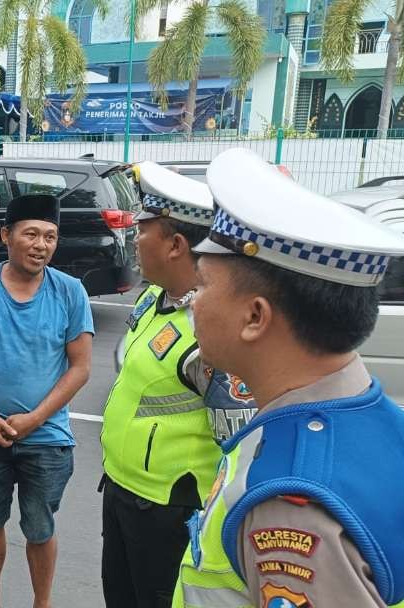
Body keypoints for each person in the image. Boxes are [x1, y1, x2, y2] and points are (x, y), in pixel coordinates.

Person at [172, 148, 404, 607]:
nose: (192, 301)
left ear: (255, 316)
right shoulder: (377, 420)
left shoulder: (293, 504)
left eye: (203, 285)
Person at [101, 162, 258, 608]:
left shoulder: (212, 330)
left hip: (171, 510)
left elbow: (241, 443)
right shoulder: (153, 297)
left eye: (142, 228)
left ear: (174, 244)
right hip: (121, 491)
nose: (133, 238)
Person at [0, 194, 94, 608]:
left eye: (50, 236)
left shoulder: (70, 292)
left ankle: (41, 603)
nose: (41, 245)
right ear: (6, 236)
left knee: (40, 527)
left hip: (47, 438)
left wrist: (35, 419)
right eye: (31, 234)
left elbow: (79, 367)